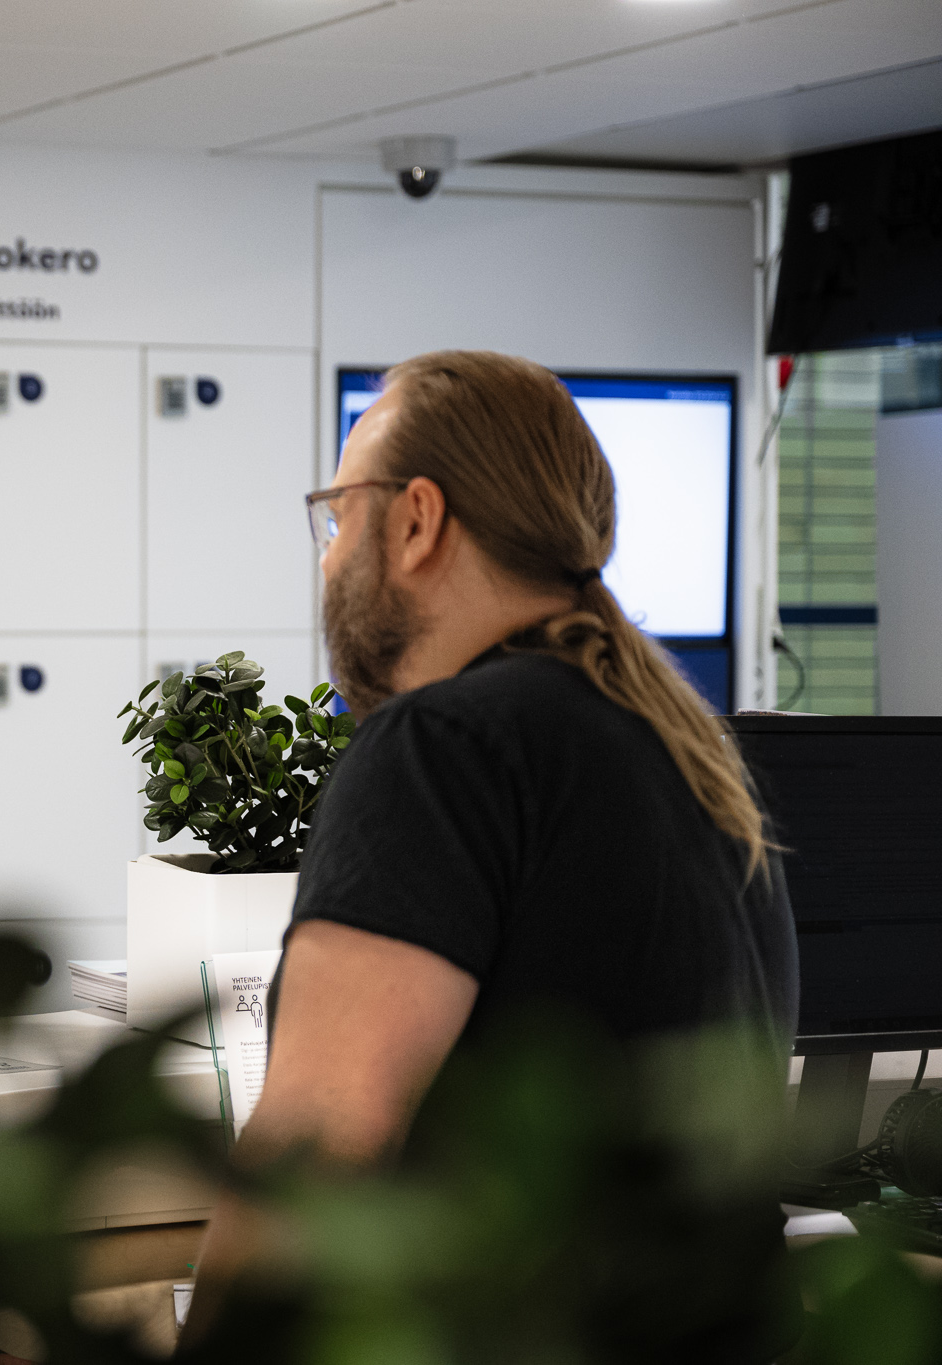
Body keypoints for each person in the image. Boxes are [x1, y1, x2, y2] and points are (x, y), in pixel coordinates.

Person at [182, 350, 797, 1342]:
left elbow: (308, 1179)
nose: (329, 558)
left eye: (338, 516)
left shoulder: (441, 749)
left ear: (416, 520)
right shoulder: (688, 754)